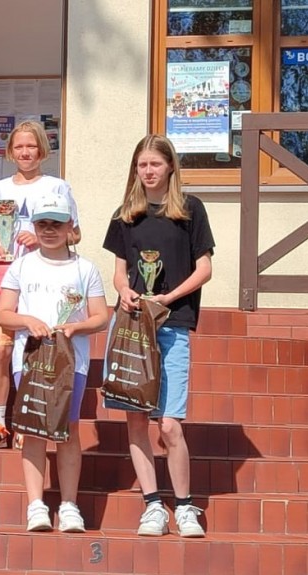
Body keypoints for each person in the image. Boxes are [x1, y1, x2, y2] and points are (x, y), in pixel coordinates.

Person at [102, 134, 215, 538]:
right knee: (136, 420)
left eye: (155, 164)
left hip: (173, 324)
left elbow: (204, 269)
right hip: (132, 328)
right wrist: (124, 291)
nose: (148, 171)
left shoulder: (190, 210)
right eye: (142, 165)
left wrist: (168, 297)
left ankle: (184, 507)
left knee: (168, 425)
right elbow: (119, 271)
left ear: (170, 167)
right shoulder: (125, 215)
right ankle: (152, 505)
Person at [0, 195, 108, 533]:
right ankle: (36, 504)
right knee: (32, 430)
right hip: (29, 359)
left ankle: (69, 505)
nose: (49, 230)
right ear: (34, 226)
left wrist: (75, 327)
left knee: (68, 430)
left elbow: (101, 316)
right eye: (43, 223)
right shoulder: (21, 265)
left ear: (70, 226)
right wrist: (27, 320)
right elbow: (3, 314)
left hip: (71, 362)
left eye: (56, 223)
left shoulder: (85, 268)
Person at [0, 120, 82, 451]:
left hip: (45, 279)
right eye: (19, 146)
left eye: (31, 146)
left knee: (37, 347)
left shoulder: (58, 187)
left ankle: (28, 418)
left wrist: (41, 238)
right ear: (10, 151)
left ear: (42, 150)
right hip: (7, 277)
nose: (25, 152)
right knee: (2, 348)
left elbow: (76, 234)